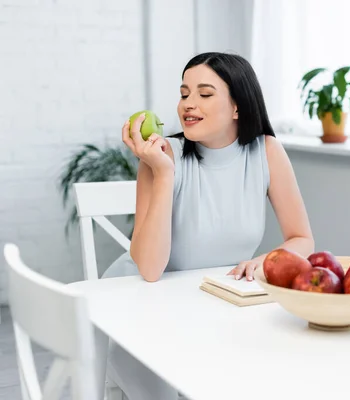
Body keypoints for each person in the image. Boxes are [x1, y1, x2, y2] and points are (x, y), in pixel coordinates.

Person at [103, 52, 314, 400]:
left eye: (204, 93)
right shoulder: (162, 156)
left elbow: (302, 238)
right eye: (184, 93)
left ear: (237, 107)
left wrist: (268, 260)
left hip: (217, 308)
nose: (188, 103)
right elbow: (151, 270)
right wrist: (164, 172)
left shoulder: (267, 151)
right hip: (141, 310)